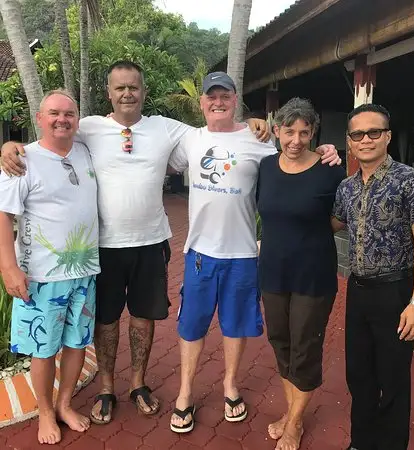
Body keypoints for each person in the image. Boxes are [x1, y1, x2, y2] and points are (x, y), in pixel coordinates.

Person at [0, 61, 271, 426]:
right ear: (109, 93)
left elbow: (219, 130)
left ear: (143, 91)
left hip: (151, 242)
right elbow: (51, 138)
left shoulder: (166, 128)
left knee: (144, 318)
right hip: (104, 247)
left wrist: (256, 125)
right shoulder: (89, 128)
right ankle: (107, 387)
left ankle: (139, 383)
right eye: (119, 87)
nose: (127, 93)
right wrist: (9, 145)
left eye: (134, 87)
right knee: (107, 321)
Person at [167, 74, 342, 434]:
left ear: (236, 101)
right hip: (199, 251)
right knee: (191, 325)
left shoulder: (259, 143)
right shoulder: (189, 138)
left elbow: (294, 156)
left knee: (236, 325)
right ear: (202, 103)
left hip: (244, 254)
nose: (218, 102)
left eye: (225, 96)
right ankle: (185, 393)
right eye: (211, 96)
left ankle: (231, 386)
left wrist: (328, 150)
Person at [331, 104, 414, 450]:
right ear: (349, 141)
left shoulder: (410, 181)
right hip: (358, 292)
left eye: (373, 132)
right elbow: (331, 223)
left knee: (392, 379)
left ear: (387, 136)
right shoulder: (346, 187)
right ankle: (361, 441)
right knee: (359, 375)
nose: (365, 139)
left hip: (396, 292)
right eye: (357, 134)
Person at [0, 90, 99, 445]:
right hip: (41, 277)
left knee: (76, 344)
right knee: (43, 350)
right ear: (39, 118)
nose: (62, 119)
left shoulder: (85, 150)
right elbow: (3, 215)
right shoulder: (22, 160)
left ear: (77, 119)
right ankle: (44, 411)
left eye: (69, 114)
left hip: (84, 271)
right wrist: (8, 267)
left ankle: (64, 404)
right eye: (54, 113)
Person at [256, 98, 345, 450]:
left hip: (313, 275)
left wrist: (314, 230)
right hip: (273, 272)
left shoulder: (330, 170)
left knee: (305, 347)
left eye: (304, 132)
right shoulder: (265, 167)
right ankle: (291, 410)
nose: (296, 140)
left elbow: (343, 216)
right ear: (277, 130)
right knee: (281, 342)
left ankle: (294, 422)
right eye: (288, 131)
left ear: (313, 133)